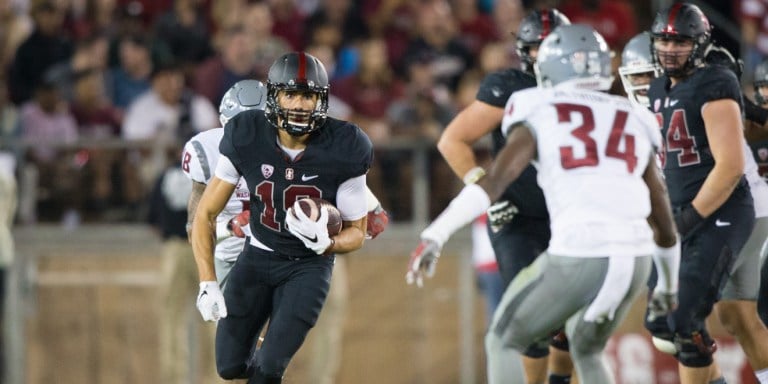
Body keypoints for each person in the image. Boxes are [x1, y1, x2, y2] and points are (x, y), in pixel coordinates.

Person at [406, 24, 679, 384]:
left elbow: (494, 182)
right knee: (587, 350)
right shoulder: (632, 114)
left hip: (581, 252)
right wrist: (669, 285)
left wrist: (437, 232)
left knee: (503, 339)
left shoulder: (536, 105)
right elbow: (661, 213)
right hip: (636, 261)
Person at [190, 51, 373, 384]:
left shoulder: (346, 145)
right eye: (291, 94)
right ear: (273, 96)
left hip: (308, 266)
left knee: (269, 368)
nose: (300, 105)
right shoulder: (246, 133)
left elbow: (358, 233)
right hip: (257, 256)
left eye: (308, 95)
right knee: (229, 367)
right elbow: (206, 213)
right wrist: (207, 282)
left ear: (322, 99)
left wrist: (329, 242)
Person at [435, 8, 573, 383]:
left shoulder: (586, 88)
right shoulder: (512, 87)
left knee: (574, 323)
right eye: (535, 48)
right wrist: (486, 189)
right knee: (529, 317)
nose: (543, 56)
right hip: (519, 215)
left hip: (572, 215)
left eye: (550, 47)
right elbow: (453, 139)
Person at [644, 3, 768, 384]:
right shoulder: (657, 87)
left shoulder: (714, 82)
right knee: (666, 323)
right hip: (688, 210)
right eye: (663, 41)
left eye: (679, 41)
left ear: (699, 44)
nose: (669, 50)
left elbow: (730, 166)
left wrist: (683, 222)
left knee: (684, 319)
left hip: (721, 209)